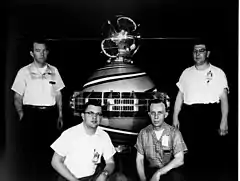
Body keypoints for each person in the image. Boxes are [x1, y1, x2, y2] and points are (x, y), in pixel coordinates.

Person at [172, 40, 229, 180]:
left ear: (208, 53)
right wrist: (175, 117)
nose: (197, 54)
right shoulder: (186, 73)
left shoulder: (218, 72)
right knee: (190, 157)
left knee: (211, 157)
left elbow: (224, 99)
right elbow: (180, 96)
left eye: (201, 50)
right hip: (190, 117)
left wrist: (224, 120)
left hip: (210, 116)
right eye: (195, 51)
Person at [11, 38, 65, 180]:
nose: (41, 54)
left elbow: (58, 93)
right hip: (31, 115)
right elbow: (17, 96)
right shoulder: (23, 72)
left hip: (49, 115)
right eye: (37, 50)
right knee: (30, 153)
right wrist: (21, 113)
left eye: (44, 50)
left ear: (47, 52)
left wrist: (60, 115)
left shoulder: (54, 70)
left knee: (50, 152)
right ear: (31, 53)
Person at [51, 99, 116, 181]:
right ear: (82, 116)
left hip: (92, 177)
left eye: (98, 114)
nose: (94, 117)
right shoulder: (69, 134)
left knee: (120, 178)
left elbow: (110, 162)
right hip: (69, 178)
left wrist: (104, 174)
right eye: (90, 113)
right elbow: (55, 162)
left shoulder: (103, 135)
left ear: (101, 117)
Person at [135, 98, 188, 181]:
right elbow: (139, 159)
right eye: (153, 113)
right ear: (149, 114)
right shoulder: (143, 133)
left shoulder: (174, 133)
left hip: (170, 172)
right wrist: (143, 179)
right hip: (150, 171)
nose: (156, 117)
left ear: (165, 114)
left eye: (159, 113)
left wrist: (159, 173)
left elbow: (180, 159)